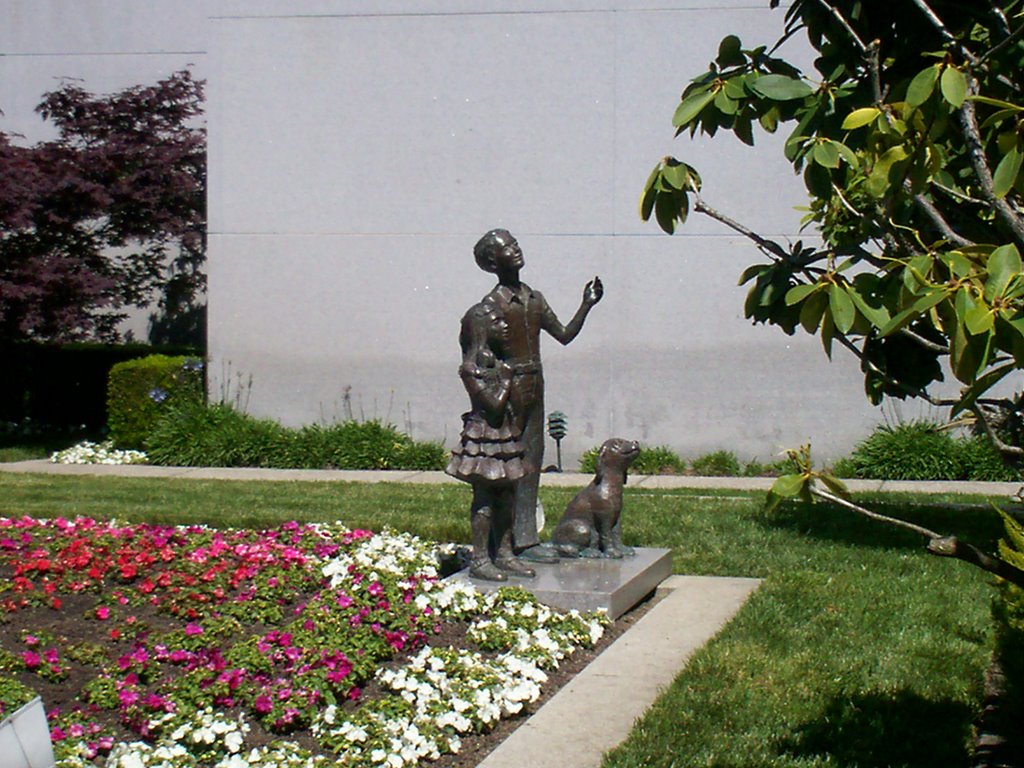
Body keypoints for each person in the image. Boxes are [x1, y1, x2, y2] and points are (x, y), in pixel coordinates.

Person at [473, 229, 603, 562]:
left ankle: (527, 539)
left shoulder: (534, 299)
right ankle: (507, 545)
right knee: (511, 464)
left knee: (532, 461)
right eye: (507, 248)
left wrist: (586, 305)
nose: (515, 251)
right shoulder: (489, 307)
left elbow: (563, 335)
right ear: (491, 262)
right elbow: (477, 359)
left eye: (516, 244)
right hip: (509, 387)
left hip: (535, 382)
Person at [446, 301, 536, 581]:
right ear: (483, 329)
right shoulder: (470, 369)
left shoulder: (498, 363)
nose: (505, 326)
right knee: (484, 497)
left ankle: (505, 553)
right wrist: (507, 381)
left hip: (503, 434)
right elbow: (492, 405)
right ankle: (481, 558)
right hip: (483, 436)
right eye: (498, 322)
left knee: (507, 495)